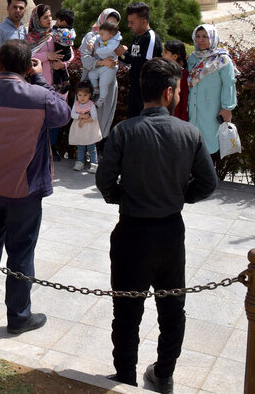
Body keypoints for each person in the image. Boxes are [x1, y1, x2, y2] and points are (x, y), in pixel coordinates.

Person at [96, 58, 218, 392]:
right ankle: (164, 374)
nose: (178, 93)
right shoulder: (189, 133)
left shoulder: (124, 131)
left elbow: (104, 180)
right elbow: (208, 183)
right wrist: (180, 196)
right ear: (168, 93)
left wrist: (125, 198)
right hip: (169, 233)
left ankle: (124, 376)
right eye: (178, 88)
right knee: (172, 308)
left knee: (126, 311)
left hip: (131, 232)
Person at [0, 39, 70, 334]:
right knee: (21, 252)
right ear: (26, 67)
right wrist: (38, 78)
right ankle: (19, 316)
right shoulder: (38, 96)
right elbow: (63, 112)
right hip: (24, 190)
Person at [187, 24, 237, 162]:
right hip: (194, 108)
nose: (201, 40)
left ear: (213, 38)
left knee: (209, 144)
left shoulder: (223, 60)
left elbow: (229, 84)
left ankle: (208, 180)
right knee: (193, 144)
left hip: (211, 110)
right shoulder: (193, 58)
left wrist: (227, 107)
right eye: (198, 36)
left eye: (205, 37)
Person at [26, 4, 69, 160]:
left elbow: (70, 53)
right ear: (37, 19)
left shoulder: (57, 34)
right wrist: (47, 56)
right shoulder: (30, 37)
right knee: (39, 118)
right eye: (45, 17)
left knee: (55, 116)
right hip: (39, 84)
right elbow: (28, 57)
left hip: (58, 84)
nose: (49, 20)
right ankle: (39, 149)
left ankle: (52, 148)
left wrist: (64, 64)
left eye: (51, 16)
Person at [80, 8, 122, 146]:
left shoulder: (114, 39)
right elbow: (85, 60)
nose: (111, 26)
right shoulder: (90, 37)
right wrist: (102, 62)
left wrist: (115, 60)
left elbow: (114, 58)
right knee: (87, 116)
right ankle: (83, 152)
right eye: (109, 21)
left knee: (103, 117)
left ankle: (97, 151)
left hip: (108, 82)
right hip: (90, 85)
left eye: (114, 23)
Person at [116, 2, 162, 118]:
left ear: (144, 21)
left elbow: (147, 64)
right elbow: (130, 60)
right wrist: (120, 54)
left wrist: (125, 54)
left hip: (147, 93)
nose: (129, 25)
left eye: (132, 22)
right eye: (128, 22)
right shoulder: (137, 37)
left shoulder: (151, 38)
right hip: (134, 89)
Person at [0, 0, 28, 78]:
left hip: (21, 80)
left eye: (21, 8)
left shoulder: (24, 30)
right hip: (4, 79)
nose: (18, 10)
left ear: (25, 10)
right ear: (8, 8)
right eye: (14, 7)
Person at [87, 21, 122, 107]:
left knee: (103, 83)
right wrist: (91, 42)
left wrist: (96, 51)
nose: (100, 35)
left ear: (110, 35)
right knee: (91, 74)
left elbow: (107, 50)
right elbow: (96, 37)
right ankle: (95, 89)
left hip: (110, 68)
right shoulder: (103, 37)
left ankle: (102, 99)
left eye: (102, 33)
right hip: (102, 65)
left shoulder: (114, 42)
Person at [70, 81, 102, 171]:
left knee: (91, 146)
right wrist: (81, 116)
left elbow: (94, 117)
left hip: (89, 128)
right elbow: (72, 115)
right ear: (76, 95)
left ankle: (94, 163)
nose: (82, 98)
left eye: (85, 95)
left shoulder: (91, 105)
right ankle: (80, 162)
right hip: (80, 129)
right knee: (80, 146)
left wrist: (84, 121)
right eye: (80, 95)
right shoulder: (76, 104)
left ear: (90, 94)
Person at [162, 39, 189, 121]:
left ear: (175, 56)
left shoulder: (183, 75)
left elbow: (185, 100)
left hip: (176, 118)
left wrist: (183, 122)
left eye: (166, 52)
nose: (162, 54)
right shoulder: (162, 71)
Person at [50, 8, 76, 94]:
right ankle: (65, 81)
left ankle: (57, 83)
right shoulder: (71, 30)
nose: (56, 22)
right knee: (61, 68)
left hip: (61, 52)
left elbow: (53, 36)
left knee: (57, 67)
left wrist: (53, 29)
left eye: (57, 20)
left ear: (63, 22)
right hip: (67, 51)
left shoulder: (61, 32)